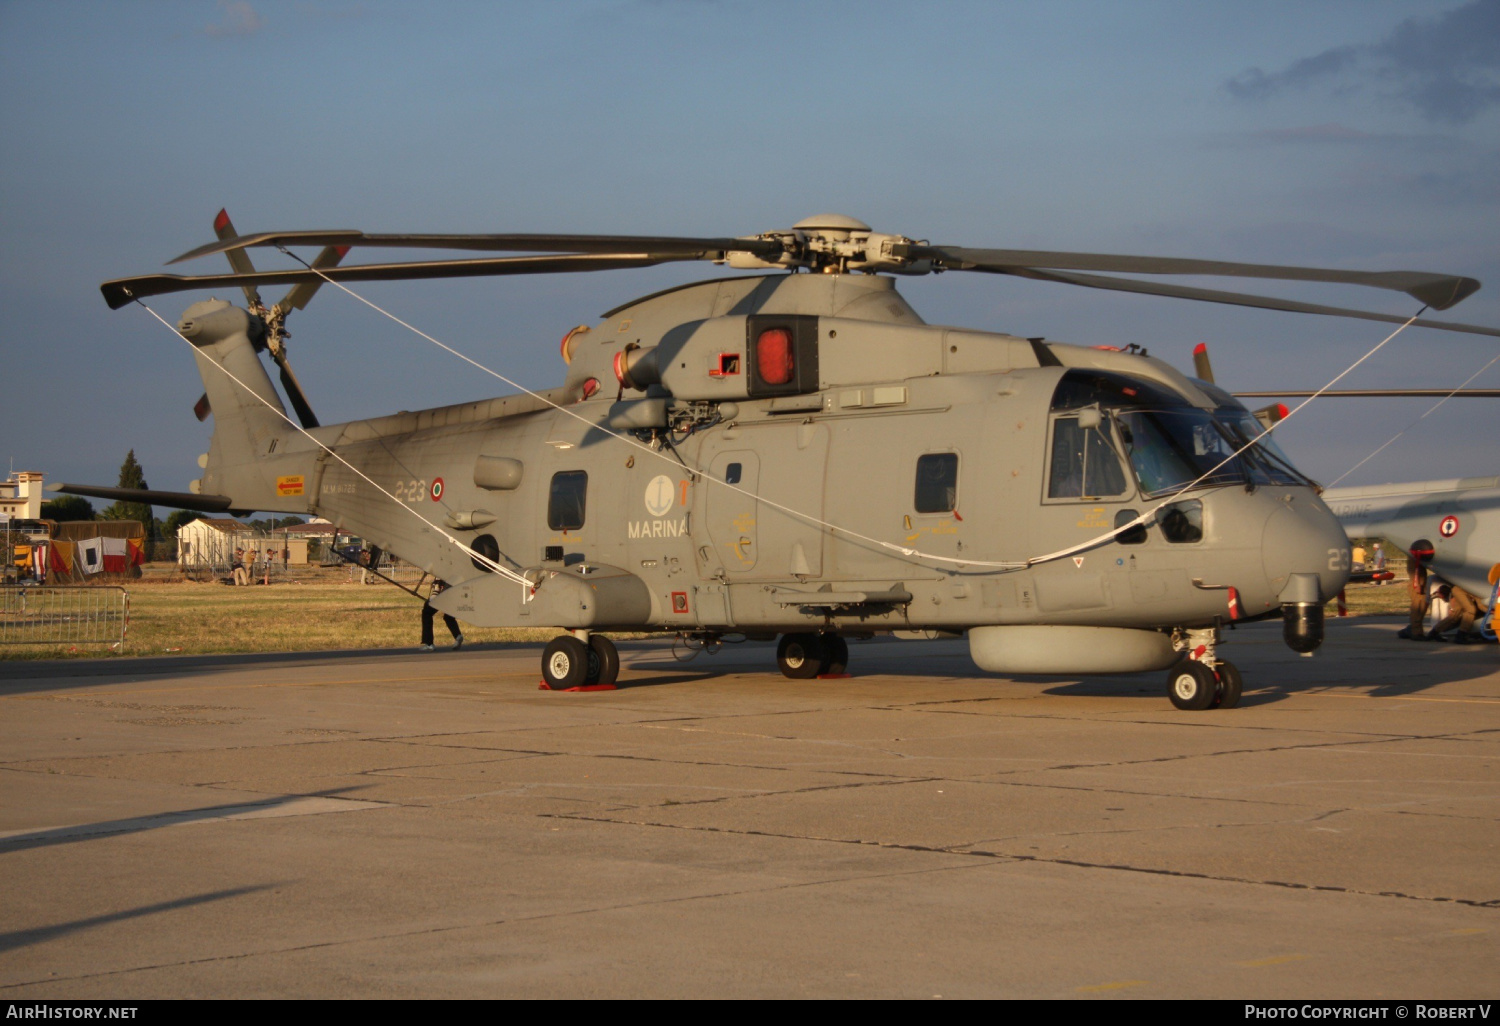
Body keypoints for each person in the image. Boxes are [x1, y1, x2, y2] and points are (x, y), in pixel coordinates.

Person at [1396, 539, 1434, 640]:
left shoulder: (1415, 557)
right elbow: (1414, 573)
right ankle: (1416, 633)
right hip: (1417, 585)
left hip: (1420, 585)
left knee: (1421, 608)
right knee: (1417, 609)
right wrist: (1418, 585)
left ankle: (1412, 630)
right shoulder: (1414, 558)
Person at [420, 579, 463, 652]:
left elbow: (439, 588)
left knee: (427, 613)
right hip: (457, 592)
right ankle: (457, 635)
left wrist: (434, 594)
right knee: (448, 617)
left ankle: (429, 643)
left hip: (446, 593)